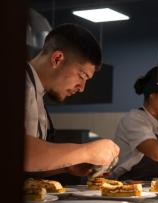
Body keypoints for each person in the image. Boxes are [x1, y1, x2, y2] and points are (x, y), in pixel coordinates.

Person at [25, 23, 119, 176]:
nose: (81, 88)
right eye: (82, 76)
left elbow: (30, 164)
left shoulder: (39, 95)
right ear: (57, 59)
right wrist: (86, 151)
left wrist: (68, 165)